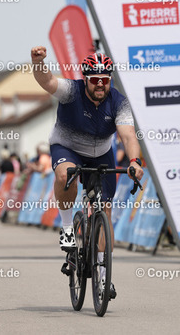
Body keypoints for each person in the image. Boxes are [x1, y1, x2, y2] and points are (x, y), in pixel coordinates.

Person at [31, 46, 144, 299]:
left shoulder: (119, 102)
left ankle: (103, 278)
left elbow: (128, 135)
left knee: (105, 211)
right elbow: (47, 81)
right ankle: (68, 228)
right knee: (65, 175)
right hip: (67, 147)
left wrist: (134, 161)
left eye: (105, 79)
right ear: (86, 80)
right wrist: (38, 63)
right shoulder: (71, 91)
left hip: (101, 152)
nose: (100, 84)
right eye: (95, 80)